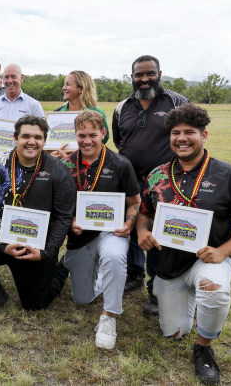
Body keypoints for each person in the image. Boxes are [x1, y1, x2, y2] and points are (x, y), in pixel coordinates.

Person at [136, 104, 231, 384]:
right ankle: (186, 295)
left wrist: (222, 251)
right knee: (174, 332)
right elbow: (144, 212)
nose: (182, 138)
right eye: (175, 132)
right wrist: (142, 230)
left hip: (208, 259)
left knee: (214, 292)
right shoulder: (157, 175)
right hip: (168, 265)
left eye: (189, 132)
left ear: (204, 135)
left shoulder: (230, 176)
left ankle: (203, 348)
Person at [0, 115, 76, 319]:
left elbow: (63, 216)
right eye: (26, 136)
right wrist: (2, 244)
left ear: (45, 141)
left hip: (38, 245)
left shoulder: (58, 170)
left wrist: (46, 252)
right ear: (15, 138)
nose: (32, 141)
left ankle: (61, 268)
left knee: (34, 305)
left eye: (38, 137)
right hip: (4, 236)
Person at [112, 55, 189, 315]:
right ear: (132, 77)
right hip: (131, 179)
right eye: (138, 74)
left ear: (159, 73)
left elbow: (186, 135)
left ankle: (156, 288)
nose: (144, 79)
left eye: (150, 73)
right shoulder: (122, 106)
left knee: (157, 233)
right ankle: (133, 274)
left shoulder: (176, 102)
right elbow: (119, 139)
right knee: (133, 227)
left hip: (165, 182)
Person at [59, 110, 141, 349]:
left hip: (110, 232)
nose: (87, 140)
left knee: (114, 256)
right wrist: (70, 221)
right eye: (81, 135)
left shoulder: (120, 164)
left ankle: (109, 316)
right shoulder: (65, 165)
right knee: (81, 299)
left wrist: (129, 224)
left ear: (103, 134)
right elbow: (59, 205)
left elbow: (134, 202)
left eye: (92, 134)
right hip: (80, 236)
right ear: (74, 134)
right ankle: (103, 276)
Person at [0, 64, 44, 166]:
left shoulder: (34, 105)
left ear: (21, 78)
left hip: (25, 164)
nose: (9, 81)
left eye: (13, 77)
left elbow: (42, 135)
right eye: (6, 77)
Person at [54, 71, 109, 143]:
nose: (63, 88)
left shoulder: (97, 113)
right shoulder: (57, 113)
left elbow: (104, 138)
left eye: (68, 84)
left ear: (80, 88)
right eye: (64, 84)